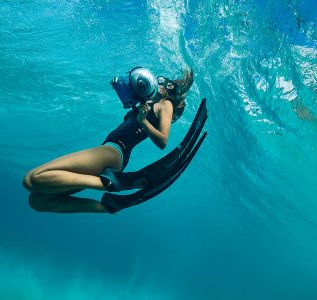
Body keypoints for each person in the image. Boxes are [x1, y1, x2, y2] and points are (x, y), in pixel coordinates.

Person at [23, 68, 194, 214]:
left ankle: (115, 183)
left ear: (170, 88)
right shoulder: (147, 103)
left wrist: (143, 121)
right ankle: (107, 207)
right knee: (37, 201)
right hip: (110, 154)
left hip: (114, 151)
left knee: (32, 180)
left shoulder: (166, 104)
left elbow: (162, 141)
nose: (159, 84)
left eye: (163, 82)